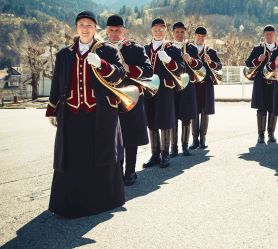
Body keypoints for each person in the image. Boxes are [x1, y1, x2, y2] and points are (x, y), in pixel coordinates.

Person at [45, 11, 125, 218]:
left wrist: (102, 64)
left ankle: (101, 201)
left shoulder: (108, 50)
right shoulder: (64, 54)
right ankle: (70, 202)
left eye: (89, 24)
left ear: (95, 28)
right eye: (81, 24)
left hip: (100, 114)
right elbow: (57, 82)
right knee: (72, 157)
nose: (85, 28)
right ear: (76, 27)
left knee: (99, 155)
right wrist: (52, 109)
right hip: (71, 115)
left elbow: (119, 76)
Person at [106, 14, 153, 185]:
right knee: (112, 136)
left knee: (130, 136)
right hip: (109, 98)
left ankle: (130, 171)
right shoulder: (100, 49)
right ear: (106, 30)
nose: (114, 33)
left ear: (124, 30)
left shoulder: (135, 48)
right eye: (111, 30)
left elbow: (148, 71)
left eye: (118, 30)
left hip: (131, 96)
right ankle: (116, 171)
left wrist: (129, 68)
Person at [143, 18, 185, 168]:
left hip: (165, 90)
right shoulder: (145, 49)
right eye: (155, 29)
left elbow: (181, 69)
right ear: (151, 30)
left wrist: (168, 61)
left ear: (166, 30)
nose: (158, 31)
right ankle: (154, 154)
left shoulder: (173, 49)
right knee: (151, 121)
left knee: (165, 121)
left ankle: (165, 154)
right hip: (148, 90)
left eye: (161, 29)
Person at [171, 22, 203, 157]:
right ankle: (174, 148)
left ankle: (185, 146)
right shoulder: (168, 47)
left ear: (185, 33)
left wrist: (190, 60)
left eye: (182, 32)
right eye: (177, 32)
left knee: (186, 117)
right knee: (172, 117)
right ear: (172, 33)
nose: (179, 34)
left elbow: (200, 65)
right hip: (172, 87)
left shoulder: (191, 47)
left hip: (188, 87)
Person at [189, 26, 222, 149]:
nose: (200, 38)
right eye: (198, 36)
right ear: (195, 36)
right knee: (193, 111)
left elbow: (219, 66)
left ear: (205, 38)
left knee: (204, 112)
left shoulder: (211, 52)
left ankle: (203, 139)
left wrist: (211, 62)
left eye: (203, 36)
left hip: (206, 85)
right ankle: (194, 139)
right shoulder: (189, 50)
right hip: (193, 85)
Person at [245, 25, 278, 144]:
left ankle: (271, 133)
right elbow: (248, 63)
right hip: (261, 84)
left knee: (274, 109)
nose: (269, 36)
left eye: (271, 34)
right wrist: (258, 60)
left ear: (275, 35)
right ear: (264, 35)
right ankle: (261, 135)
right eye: (267, 34)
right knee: (261, 109)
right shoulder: (257, 48)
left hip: (275, 83)